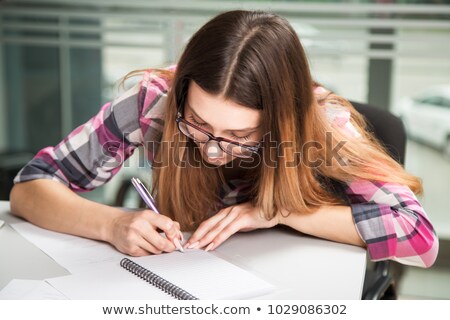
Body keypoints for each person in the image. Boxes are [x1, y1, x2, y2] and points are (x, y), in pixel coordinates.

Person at [10, 10, 437, 267]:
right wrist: (113, 223)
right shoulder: (153, 101)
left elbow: (419, 238)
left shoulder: (324, 124)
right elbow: (31, 187)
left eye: (239, 135)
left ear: (281, 121)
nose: (213, 150)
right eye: (196, 123)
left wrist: (278, 212)